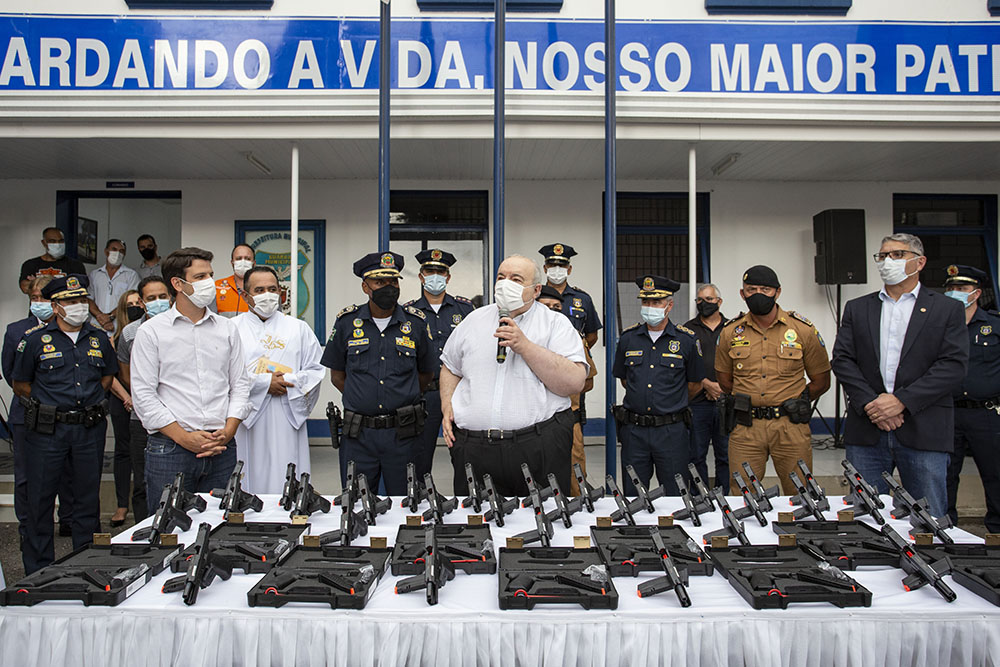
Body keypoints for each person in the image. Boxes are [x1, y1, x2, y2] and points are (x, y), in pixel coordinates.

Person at [831, 234, 968, 518]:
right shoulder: (858, 308)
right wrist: (873, 404)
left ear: (920, 262)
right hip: (868, 428)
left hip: (924, 428)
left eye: (897, 255)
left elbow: (952, 365)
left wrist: (901, 401)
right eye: (882, 256)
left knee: (927, 520)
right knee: (864, 516)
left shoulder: (946, 309)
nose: (887, 262)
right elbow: (843, 359)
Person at [440, 254, 588, 497]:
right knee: (477, 523)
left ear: (536, 290)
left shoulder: (555, 324)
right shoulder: (473, 320)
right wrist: (447, 405)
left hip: (538, 448)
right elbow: (449, 367)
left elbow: (574, 382)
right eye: (501, 277)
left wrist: (526, 347)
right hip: (474, 450)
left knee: (544, 520)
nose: (505, 284)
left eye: (516, 279)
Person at [131, 247, 251, 512]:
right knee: (168, 531)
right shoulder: (151, 332)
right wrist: (183, 438)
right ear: (177, 283)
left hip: (221, 447)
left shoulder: (227, 329)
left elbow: (240, 385)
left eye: (210, 274)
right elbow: (144, 395)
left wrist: (229, 430)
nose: (209, 282)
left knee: (221, 527)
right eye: (200, 277)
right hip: (171, 449)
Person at [11, 274, 117, 574]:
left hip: (88, 429)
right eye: (71, 301)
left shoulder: (97, 339)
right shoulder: (34, 340)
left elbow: (107, 378)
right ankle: (39, 570)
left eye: (82, 300)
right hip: (47, 431)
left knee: (86, 501)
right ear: (56, 306)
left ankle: (86, 567)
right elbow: (21, 384)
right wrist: (53, 405)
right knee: (39, 500)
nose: (79, 306)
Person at [321, 252, 434, 494]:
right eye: (379, 282)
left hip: (403, 434)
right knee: (356, 503)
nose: (388, 288)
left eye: (393, 282)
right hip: (359, 435)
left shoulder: (416, 323)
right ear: (365, 286)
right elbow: (337, 375)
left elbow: (425, 375)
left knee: (407, 504)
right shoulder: (347, 322)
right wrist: (364, 396)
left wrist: (400, 395)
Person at [716, 265, 831, 495]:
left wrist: (799, 400)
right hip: (746, 428)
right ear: (742, 293)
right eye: (751, 289)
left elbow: (821, 379)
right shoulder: (730, 332)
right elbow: (725, 380)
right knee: (742, 494)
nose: (758, 294)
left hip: (790, 426)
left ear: (778, 292)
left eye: (765, 289)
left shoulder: (802, 330)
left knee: (800, 493)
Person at [233, 266, 326, 494]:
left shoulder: (298, 328)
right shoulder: (231, 329)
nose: (267, 295)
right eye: (259, 289)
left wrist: (288, 382)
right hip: (246, 419)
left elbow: (316, 370)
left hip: (287, 413)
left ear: (281, 293)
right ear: (245, 295)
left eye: (272, 289)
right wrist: (264, 384)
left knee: (288, 471)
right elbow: (224, 375)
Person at [1, 275, 75, 557]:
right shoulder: (16, 330)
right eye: (36, 298)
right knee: (26, 477)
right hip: (27, 415)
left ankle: (67, 521)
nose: (40, 303)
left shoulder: (75, 329)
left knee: (68, 473)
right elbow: (11, 373)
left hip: (67, 416)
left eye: (46, 298)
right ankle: (28, 526)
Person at [612, 275, 705, 495]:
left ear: (669, 305)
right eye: (646, 302)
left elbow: (695, 384)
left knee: (676, 494)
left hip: (671, 431)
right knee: (634, 496)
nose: (650, 307)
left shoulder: (686, 341)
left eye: (656, 302)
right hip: (635, 432)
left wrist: (671, 401)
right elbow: (626, 380)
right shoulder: (628, 338)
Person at [403, 248, 475, 480]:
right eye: (429, 271)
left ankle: (466, 502)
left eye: (440, 271)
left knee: (464, 454)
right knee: (418, 456)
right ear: (421, 276)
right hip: (423, 395)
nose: (435, 276)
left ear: (448, 276)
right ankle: (421, 503)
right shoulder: (407, 313)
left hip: (459, 394)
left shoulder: (465, 310)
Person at [942, 265, 1000, 531]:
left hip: (986, 413)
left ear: (976, 293)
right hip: (946, 412)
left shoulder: (994, 326)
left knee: (994, 474)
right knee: (944, 475)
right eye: (951, 288)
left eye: (961, 289)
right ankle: (945, 530)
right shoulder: (938, 327)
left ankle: (997, 531)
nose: (954, 293)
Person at [116, 276, 173, 522]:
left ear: (171, 296)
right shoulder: (130, 332)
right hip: (141, 417)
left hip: (177, 415)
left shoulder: (182, 326)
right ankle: (143, 531)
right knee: (142, 481)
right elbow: (127, 376)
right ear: (141, 301)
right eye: (151, 298)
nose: (158, 301)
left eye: (162, 296)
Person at [537, 284, 598, 495]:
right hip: (531, 422)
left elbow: (588, 380)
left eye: (556, 307)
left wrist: (565, 384)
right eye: (546, 305)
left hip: (567, 419)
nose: (552, 310)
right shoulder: (520, 338)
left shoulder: (573, 338)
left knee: (575, 478)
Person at [684, 283, 730, 489]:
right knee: (695, 455)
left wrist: (721, 387)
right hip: (697, 402)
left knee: (727, 455)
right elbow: (682, 365)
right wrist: (705, 384)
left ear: (719, 302)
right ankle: (700, 498)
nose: (704, 303)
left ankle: (726, 496)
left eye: (709, 299)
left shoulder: (733, 329)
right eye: (700, 300)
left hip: (727, 402)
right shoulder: (687, 330)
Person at [107, 290, 143, 527]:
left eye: (138, 302)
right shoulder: (115, 338)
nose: (135, 307)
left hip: (142, 401)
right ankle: (122, 505)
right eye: (129, 304)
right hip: (122, 400)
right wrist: (127, 397)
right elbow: (113, 374)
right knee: (123, 451)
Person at [538, 243, 602, 349]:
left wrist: (576, 350)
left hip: (572, 361)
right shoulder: (535, 297)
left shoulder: (583, 299)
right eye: (552, 265)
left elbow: (592, 336)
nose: (557, 269)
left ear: (569, 269)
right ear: (545, 269)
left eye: (562, 266)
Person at [87, 238, 139, 332]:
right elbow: (89, 299)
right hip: (96, 325)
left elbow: (131, 301)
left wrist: (110, 317)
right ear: (106, 252)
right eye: (114, 249)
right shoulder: (95, 274)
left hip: (120, 327)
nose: (118, 253)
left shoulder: (131, 275)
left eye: (121, 251)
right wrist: (100, 317)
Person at [18, 226, 86, 294]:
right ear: (44, 243)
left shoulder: (75, 265)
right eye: (52, 241)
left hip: (64, 304)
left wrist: (38, 282)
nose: (57, 244)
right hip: (39, 303)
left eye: (61, 241)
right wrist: (62, 283)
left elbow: (80, 289)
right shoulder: (31, 264)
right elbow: (25, 288)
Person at [215, 244, 255, 318]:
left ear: (254, 263)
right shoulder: (217, 286)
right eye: (239, 258)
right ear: (232, 263)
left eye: (247, 259)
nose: (243, 262)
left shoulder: (262, 288)